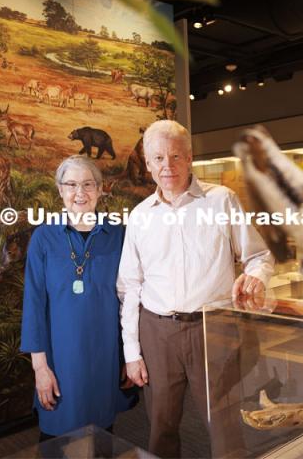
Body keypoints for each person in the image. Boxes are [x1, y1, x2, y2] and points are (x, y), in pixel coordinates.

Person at [117, 120, 274, 458]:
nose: (167, 166)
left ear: (189, 157)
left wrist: (257, 276)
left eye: (175, 156)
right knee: (161, 425)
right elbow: (129, 287)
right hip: (157, 332)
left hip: (213, 328)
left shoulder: (221, 201)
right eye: (158, 158)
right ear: (147, 165)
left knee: (224, 426)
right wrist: (132, 353)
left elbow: (258, 256)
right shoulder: (141, 216)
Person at [21, 155, 137, 441]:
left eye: (88, 184)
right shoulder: (43, 238)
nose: (80, 193)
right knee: (57, 438)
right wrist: (40, 368)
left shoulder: (120, 235)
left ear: (100, 189)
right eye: (71, 184)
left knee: (101, 437)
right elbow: (33, 305)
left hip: (105, 356)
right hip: (60, 360)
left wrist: (129, 355)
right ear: (60, 190)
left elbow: (131, 298)